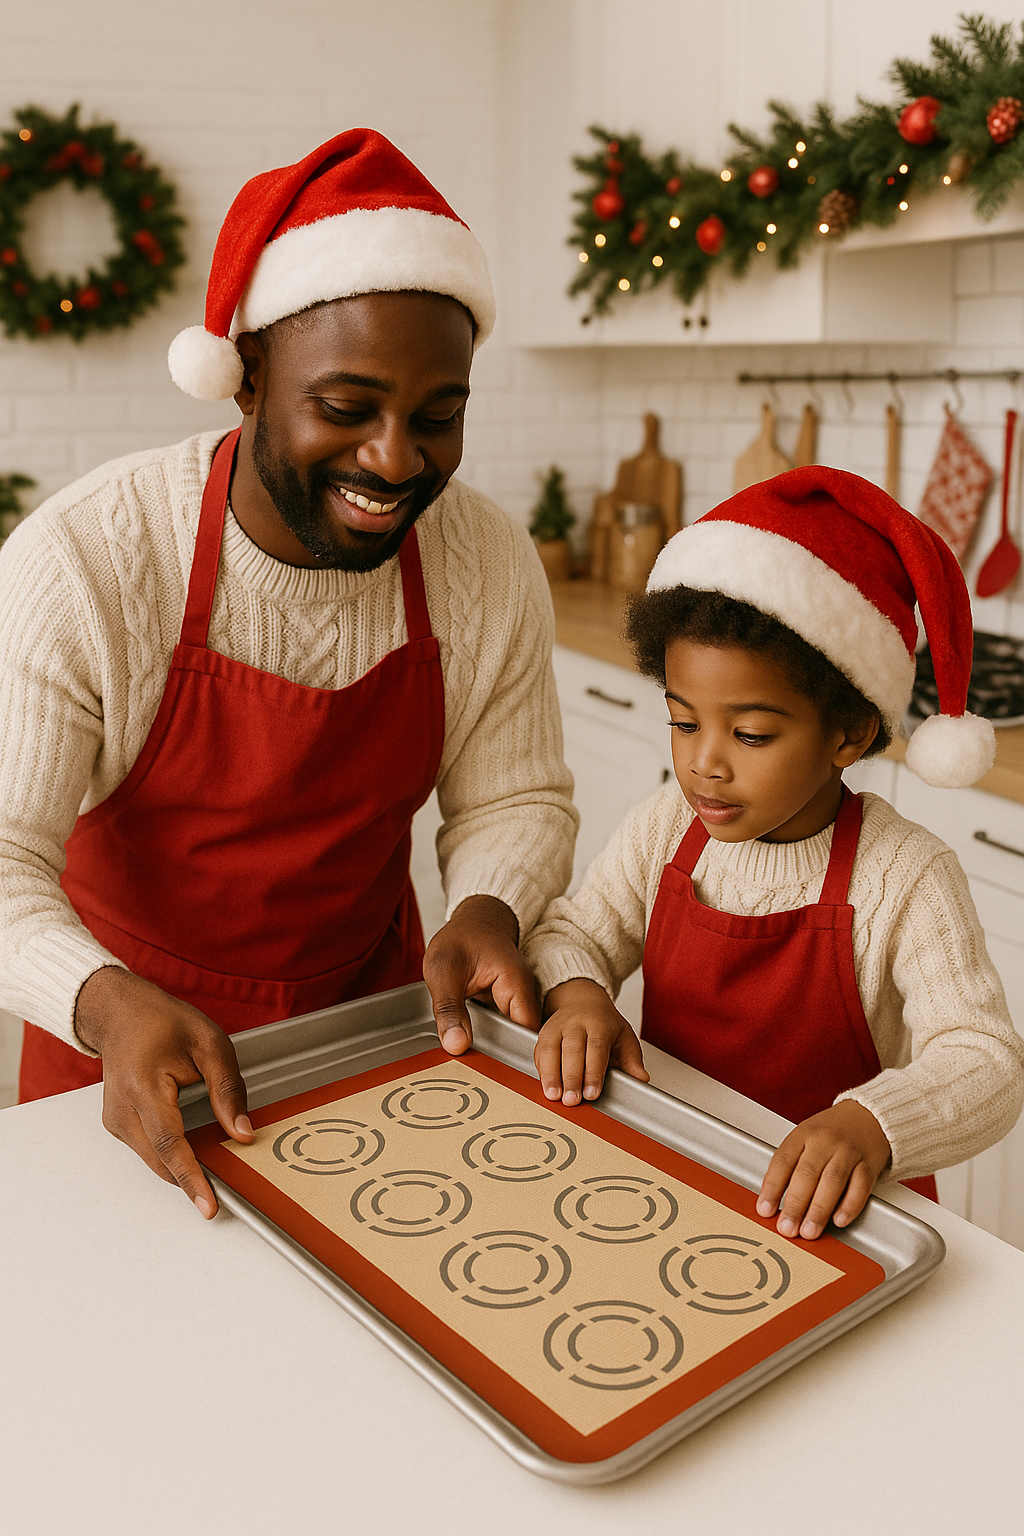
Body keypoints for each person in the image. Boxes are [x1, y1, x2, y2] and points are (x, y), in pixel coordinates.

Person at [0, 129, 576, 1217]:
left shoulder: (481, 559)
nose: (398, 460)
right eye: (347, 409)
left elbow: (516, 795)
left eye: (439, 416)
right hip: (126, 1057)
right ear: (247, 376)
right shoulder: (92, 558)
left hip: (375, 1039)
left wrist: (491, 904)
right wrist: (102, 1003)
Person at [523, 466, 1024, 1241]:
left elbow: (986, 1061)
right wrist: (580, 995)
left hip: (845, 1220)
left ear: (849, 735)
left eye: (751, 734)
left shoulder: (904, 874)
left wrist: (871, 1126)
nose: (704, 764)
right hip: (682, 1174)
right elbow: (575, 932)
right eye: (683, 722)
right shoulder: (666, 827)